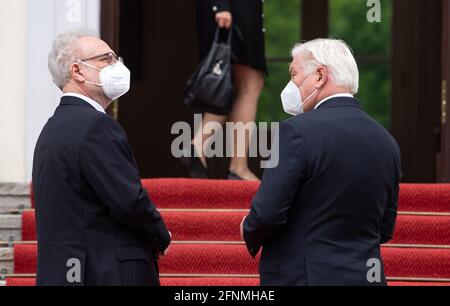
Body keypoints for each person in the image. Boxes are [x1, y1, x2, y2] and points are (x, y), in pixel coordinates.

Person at [241, 39, 402, 286]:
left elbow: (267, 213)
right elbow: (385, 228)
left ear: (319, 76)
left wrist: (248, 227)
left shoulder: (294, 131)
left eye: (294, 75)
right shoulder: (387, 142)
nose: (291, 86)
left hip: (304, 277)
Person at [32, 29, 171, 286]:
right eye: (106, 59)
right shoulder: (96, 126)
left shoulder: (50, 130)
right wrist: (160, 235)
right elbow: (128, 200)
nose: (117, 65)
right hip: (101, 272)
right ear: (77, 71)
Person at [185, 0, 267, 181]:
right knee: (249, 85)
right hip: (232, 9)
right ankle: (235, 166)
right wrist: (221, 5)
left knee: (236, 85)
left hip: (232, 9)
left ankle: (205, 148)